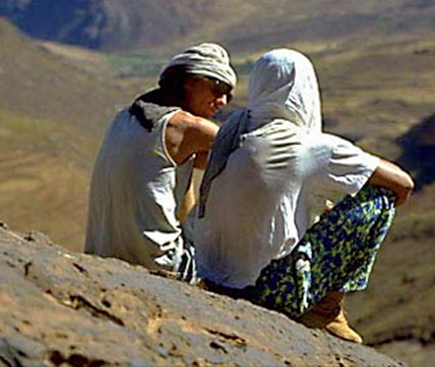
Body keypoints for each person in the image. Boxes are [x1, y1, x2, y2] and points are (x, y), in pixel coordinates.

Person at [193, 49, 414, 343]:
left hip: (208, 273)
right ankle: (327, 309)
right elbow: (402, 184)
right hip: (266, 290)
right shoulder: (312, 146)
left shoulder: (232, 127)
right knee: (380, 199)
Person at [84, 43, 236, 284]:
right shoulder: (188, 127)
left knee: (185, 164)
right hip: (161, 263)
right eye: (218, 88)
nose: (223, 101)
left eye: (229, 94)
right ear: (189, 82)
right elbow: (252, 158)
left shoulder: (126, 117)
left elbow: (196, 160)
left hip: (102, 253)